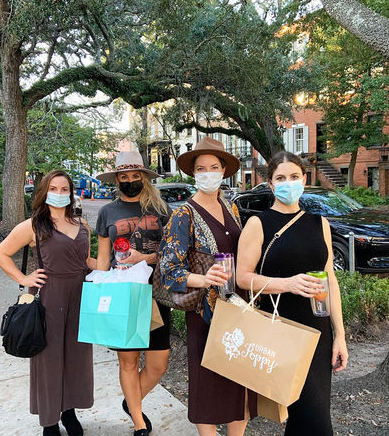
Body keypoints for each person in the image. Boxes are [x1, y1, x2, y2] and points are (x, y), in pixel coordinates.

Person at [236, 151, 348, 436]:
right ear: (271, 184)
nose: (288, 183)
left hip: (318, 332)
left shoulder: (318, 222)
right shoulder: (258, 224)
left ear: (304, 179)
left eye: (294, 177)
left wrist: (340, 336)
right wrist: (287, 284)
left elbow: (330, 280)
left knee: (306, 419)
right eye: (281, 178)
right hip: (283, 330)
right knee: (315, 422)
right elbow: (242, 277)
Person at [158, 136, 257, 436]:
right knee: (208, 385)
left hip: (239, 309)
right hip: (206, 315)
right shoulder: (183, 214)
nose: (207, 173)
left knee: (240, 383)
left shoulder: (232, 209)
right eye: (201, 168)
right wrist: (204, 278)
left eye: (214, 166)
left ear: (224, 170)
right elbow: (168, 270)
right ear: (193, 173)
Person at [0, 170, 96, 436]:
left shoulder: (81, 225)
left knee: (76, 356)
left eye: (64, 189)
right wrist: (23, 277)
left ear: (71, 194)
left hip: (80, 295)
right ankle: (49, 420)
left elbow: (86, 262)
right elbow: (0, 253)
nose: (59, 194)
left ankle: (69, 411)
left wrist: (117, 266)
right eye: (54, 188)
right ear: (44, 192)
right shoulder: (33, 226)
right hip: (49, 296)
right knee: (49, 359)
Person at [96, 151, 172, 436]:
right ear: (117, 179)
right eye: (124, 177)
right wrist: (98, 290)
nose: (130, 181)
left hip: (156, 294)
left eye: (135, 176)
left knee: (158, 363)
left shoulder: (162, 210)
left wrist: (146, 258)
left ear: (143, 177)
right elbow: (104, 261)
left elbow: (172, 255)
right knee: (128, 361)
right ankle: (139, 421)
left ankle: (132, 401)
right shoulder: (107, 213)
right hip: (123, 295)